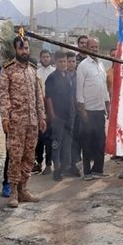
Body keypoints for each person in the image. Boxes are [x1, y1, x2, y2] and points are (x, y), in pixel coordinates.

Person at [0, 35, 46, 208]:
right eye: (21, 48)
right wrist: (5, 117)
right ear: (15, 49)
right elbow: (3, 95)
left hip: (32, 122)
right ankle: (12, 191)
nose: (24, 51)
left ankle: (23, 189)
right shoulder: (8, 70)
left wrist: (42, 117)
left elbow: (38, 97)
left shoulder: (33, 70)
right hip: (16, 122)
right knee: (15, 156)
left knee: (29, 156)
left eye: (26, 48)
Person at [77, 38, 110, 181]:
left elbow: (104, 89)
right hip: (88, 110)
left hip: (100, 110)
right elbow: (79, 91)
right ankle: (87, 172)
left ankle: (98, 169)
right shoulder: (83, 66)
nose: (95, 49)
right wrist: (82, 110)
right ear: (87, 48)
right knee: (87, 142)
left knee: (100, 141)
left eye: (97, 47)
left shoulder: (101, 64)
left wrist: (107, 105)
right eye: (92, 47)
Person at [45, 51, 75, 181]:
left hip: (68, 115)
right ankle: (56, 169)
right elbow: (49, 98)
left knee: (67, 144)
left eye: (65, 61)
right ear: (56, 62)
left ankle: (64, 167)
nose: (64, 64)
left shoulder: (68, 76)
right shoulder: (51, 78)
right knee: (57, 143)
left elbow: (71, 96)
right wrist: (52, 114)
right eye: (61, 62)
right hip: (57, 115)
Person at [34, 49, 54, 175]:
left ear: (50, 58)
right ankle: (38, 162)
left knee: (50, 138)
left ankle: (48, 164)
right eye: (43, 57)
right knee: (39, 138)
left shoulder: (54, 72)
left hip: (51, 107)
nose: (45, 59)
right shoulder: (36, 72)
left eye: (47, 57)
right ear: (40, 58)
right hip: (39, 108)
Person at [66, 51, 82, 177]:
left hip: (78, 112)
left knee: (77, 138)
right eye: (69, 61)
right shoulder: (62, 75)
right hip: (65, 113)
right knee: (66, 139)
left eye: (73, 61)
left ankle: (76, 165)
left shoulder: (79, 75)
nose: (71, 64)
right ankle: (66, 165)